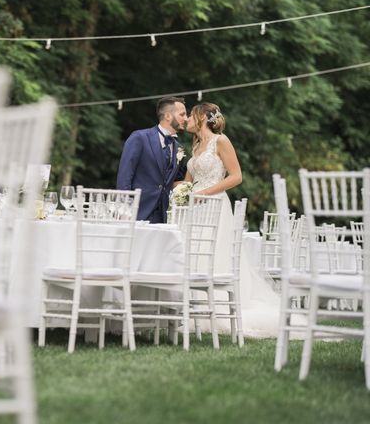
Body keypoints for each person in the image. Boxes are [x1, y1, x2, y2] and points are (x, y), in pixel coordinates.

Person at [185, 102, 282, 337]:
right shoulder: (196, 146)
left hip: (215, 205)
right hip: (195, 208)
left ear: (200, 118)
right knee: (194, 252)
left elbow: (237, 176)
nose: (186, 119)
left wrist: (205, 193)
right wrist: (181, 191)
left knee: (214, 252)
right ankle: (193, 307)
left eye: (190, 115)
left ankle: (217, 307)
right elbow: (188, 181)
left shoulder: (221, 141)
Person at [116, 96, 188, 223]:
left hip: (164, 217)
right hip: (137, 212)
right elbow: (124, 177)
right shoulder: (140, 138)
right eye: (182, 114)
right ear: (168, 116)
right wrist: (125, 210)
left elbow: (174, 181)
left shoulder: (179, 148)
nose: (186, 119)